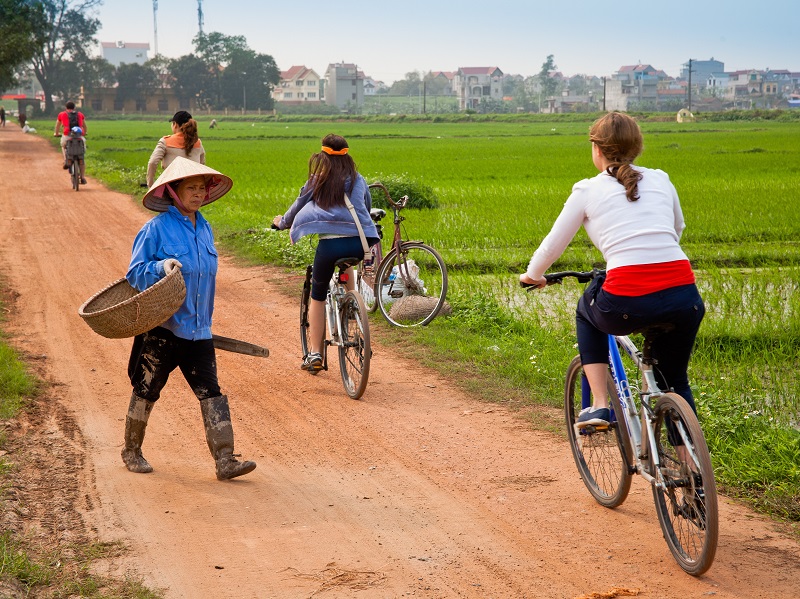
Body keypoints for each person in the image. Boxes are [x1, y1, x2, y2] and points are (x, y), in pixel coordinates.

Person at [520, 112, 705, 429]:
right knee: (674, 381)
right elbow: (677, 228)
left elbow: (553, 245)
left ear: (596, 149)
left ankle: (600, 405)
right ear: (637, 148)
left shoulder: (587, 190)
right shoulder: (660, 178)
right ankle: (695, 472)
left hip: (627, 298)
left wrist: (532, 276)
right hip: (684, 295)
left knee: (585, 309)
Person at [124, 156, 256, 481]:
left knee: (211, 391)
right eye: (191, 188)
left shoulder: (205, 227)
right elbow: (134, 273)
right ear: (173, 191)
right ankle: (131, 450)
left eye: (201, 188)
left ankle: (225, 460)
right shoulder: (154, 229)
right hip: (163, 329)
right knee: (146, 388)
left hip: (199, 331)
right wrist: (160, 267)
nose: (198, 194)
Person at [272, 134, 379, 373]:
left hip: (329, 247)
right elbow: (366, 206)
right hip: (359, 244)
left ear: (323, 156)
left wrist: (282, 223)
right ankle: (353, 312)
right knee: (347, 266)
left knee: (318, 296)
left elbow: (297, 206)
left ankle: (315, 353)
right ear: (347, 156)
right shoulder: (357, 179)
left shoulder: (317, 180)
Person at [146, 110, 206, 187]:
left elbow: (152, 162)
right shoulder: (197, 142)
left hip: (172, 186)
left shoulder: (165, 141)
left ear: (175, 125)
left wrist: (150, 185)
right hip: (193, 186)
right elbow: (202, 164)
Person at [54, 101, 87, 183]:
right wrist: (84, 132)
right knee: (81, 156)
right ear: (74, 107)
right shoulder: (80, 114)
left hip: (67, 135)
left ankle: (66, 160)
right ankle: (82, 178)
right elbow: (84, 126)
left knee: (63, 145)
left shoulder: (62, 114)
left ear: (66, 107)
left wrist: (56, 133)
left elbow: (57, 125)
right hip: (79, 136)